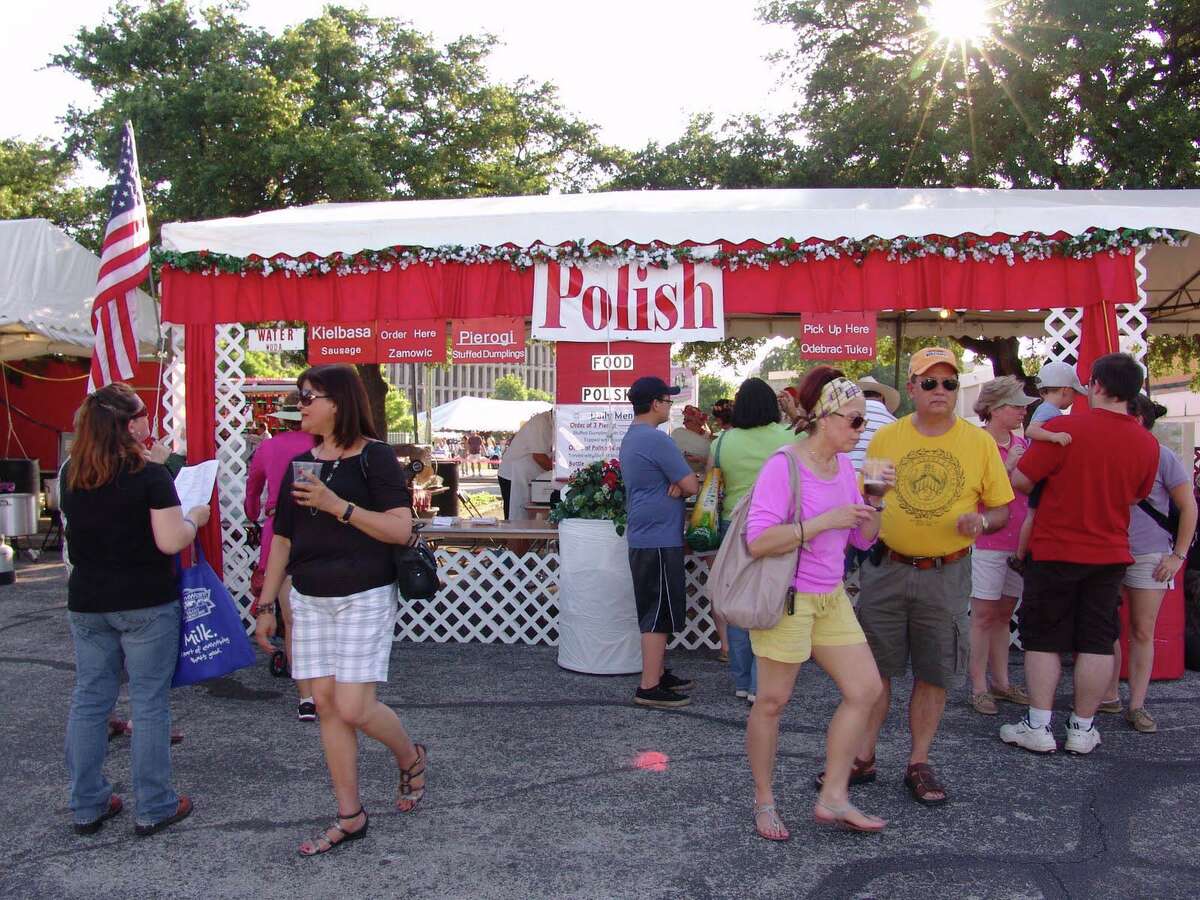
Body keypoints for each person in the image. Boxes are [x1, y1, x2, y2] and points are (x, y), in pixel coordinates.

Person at [254, 365, 424, 856]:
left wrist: (337, 505)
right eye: (299, 396)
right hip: (308, 599)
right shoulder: (299, 464)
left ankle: (410, 756)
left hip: (363, 594)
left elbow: (399, 530)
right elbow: (283, 538)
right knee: (327, 707)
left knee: (353, 707)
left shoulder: (376, 459)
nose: (300, 404)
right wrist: (267, 604)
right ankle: (350, 816)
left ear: (339, 402)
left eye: (309, 396)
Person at [856, 347, 1013, 806]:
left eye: (948, 383)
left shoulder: (979, 442)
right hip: (887, 568)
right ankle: (862, 757)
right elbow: (872, 498)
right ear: (912, 389)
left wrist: (982, 523)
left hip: (946, 573)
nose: (940, 391)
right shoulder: (887, 439)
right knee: (875, 671)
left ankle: (918, 762)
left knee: (935, 671)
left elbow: (1001, 509)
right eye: (929, 383)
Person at [744, 368, 888, 839]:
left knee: (866, 689)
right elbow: (759, 540)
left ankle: (834, 794)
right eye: (854, 420)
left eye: (862, 422)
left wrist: (876, 501)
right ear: (825, 417)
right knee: (771, 702)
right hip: (789, 598)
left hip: (830, 596)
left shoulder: (845, 468)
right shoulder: (783, 465)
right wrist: (826, 521)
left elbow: (864, 541)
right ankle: (764, 802)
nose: (859, 429)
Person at [61, 383, 210, 837]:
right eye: (143, 414)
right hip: (145, 601)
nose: (150, 420)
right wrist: (194, 519)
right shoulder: (149, 477)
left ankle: (87, 804)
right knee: (148, 704)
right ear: (129, 424)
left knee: (90, 701)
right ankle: (155, 805)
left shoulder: (71, 471)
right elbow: (170, 540)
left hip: (88, 600)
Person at [1000, 353, 1159, 756]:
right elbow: (1139, 495)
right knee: (1096, 642)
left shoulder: (1063, 428)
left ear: (1097, 385)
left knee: (1043, 639)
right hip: (1109, 552)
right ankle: (1082, 728)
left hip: (1054, 548)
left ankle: (1038, 724)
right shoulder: (1146, 442)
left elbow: (1021, 482)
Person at [1099, 395, 1197, 733]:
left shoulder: (1162, 455)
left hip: (1149, 553)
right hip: (1106, 550)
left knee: (1142, 629)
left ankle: (1136, 704)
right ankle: (1108, 694)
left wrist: (1177, 556)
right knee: (1104, 626)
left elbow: (1189, 507)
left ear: (1137, 418)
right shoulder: (1105, 452)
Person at [705, 377, 797, 703]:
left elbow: (712, 484)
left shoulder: (721, 441)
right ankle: (762, 683)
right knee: (770, 600)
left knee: (737, 601)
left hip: (734, 526)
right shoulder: (789, 436)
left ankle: (742, 681)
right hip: (777, 528)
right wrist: (795, 411)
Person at [620, 375, 700, 709]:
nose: (671, 406)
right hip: (658, 536)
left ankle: (658, 671)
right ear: (655, 403)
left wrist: (678, 485)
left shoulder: (634, 437)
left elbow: (679, 482)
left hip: (646, 533)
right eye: (668, 401)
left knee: (659, 606)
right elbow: (692, 483)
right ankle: (649, 686)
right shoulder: (657, 440)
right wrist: (682, 485)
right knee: (657, 611)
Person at [967, 376, 1037, 715]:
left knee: (1004, 614)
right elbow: (974, 492)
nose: (1023, 411)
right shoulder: (977, 443)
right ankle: (979, 686)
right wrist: (1009, 466)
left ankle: (1002, 682)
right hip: (987, 540)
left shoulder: (1022, 442)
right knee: (982, 615)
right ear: (994, 409)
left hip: (1017, 539)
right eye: (1016, 405)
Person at [244, 403, 317, 720]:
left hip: (278, 530)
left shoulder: (268, 447)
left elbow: (252, 491)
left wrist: (252, 515)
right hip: (318, 528)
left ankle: (305, 695)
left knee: (291, 614)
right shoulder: (321, 445)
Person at [1012, 361, 1088, 567]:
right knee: (1033, 513)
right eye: (1073, 394)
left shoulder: (1046, 408)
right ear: (1065, 390)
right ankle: (1020, 556)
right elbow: (1031, 430)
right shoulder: (1049, 410)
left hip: (1037, 468)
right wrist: (1053, 436)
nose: (1073, 400)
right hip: (1037, 470)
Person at [498, 410, 554, 520]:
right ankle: (513, 537)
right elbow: (539, 457)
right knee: (515, 518)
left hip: (530, 477)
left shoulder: (552, 425)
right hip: (512, 476)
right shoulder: (541, 422)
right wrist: (558, 474)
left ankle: (529, 537)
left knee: (530, 517)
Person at [849, 376, 900, 473]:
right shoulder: (896, 425)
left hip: (844, 483)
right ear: (881, 396)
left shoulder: (844, 420)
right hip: (877, 484)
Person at [671, 405, 713, 475]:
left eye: (688, 420)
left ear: (699, 422)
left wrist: (700, 459)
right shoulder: (678, 433)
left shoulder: (709, 438)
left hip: (703, 477)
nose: (684, 422)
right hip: (680, 475)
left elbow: (714, 462)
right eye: (684, 419)